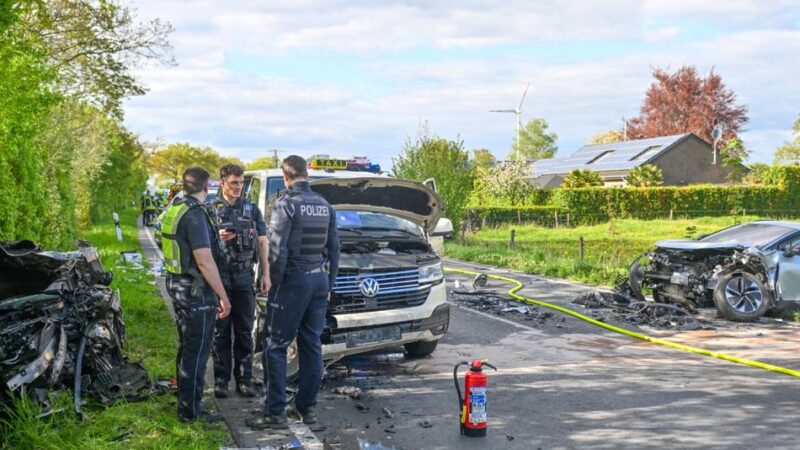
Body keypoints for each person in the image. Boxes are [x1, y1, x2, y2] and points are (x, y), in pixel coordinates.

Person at [247, 155, 340, 429]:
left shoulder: (286, 205)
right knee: (312, 345)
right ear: (306, 174)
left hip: (294, 282)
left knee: (275, 345)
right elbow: (335, 250)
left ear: (285, 175)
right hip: (319, 280)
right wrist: (329, 285)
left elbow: (277, 250)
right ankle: (307, 409)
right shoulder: (325, 206)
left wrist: (272, 283)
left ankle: (274, 412)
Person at [161, 167, 231, 423]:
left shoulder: (175, 207)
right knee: (198, 352)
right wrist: (223, 295)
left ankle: (185, 401)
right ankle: (190, 412)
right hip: (196, 292)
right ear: (207, 187)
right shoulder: (195, 215)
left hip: (178, 284)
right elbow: (204, 260)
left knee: (187, 347)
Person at [209, 164, 270, 398]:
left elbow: (263, 242)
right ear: (222, 182)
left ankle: (244, 380)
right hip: (219, 278)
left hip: (244, 277)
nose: (238, 187)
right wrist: (217, 235)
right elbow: (200, 245)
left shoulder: (252, 209)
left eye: (241, 182)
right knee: (220, 331)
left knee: (245, 331)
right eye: (234, 182)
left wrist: (266, 274)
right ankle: (221, 381)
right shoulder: (210, 209)